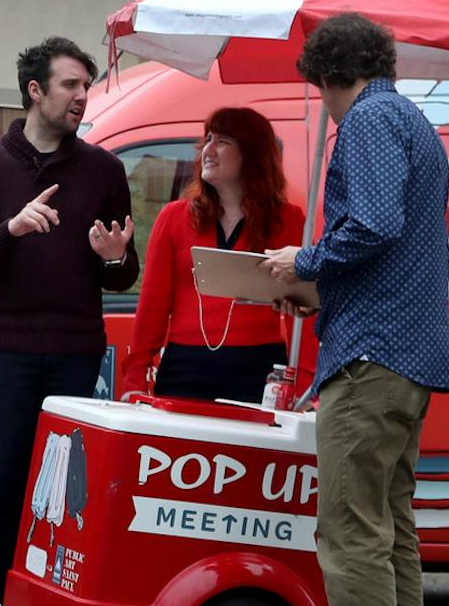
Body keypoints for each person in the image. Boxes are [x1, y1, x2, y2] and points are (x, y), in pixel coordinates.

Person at [260, 12, 449, 606]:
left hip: (370, 359)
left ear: (327, 75)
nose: (322, 103)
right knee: (391, 535)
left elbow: (370, 226)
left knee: (349, 534)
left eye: (318, 89)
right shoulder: (412, 121)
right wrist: (315, 284)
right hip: (409, 355)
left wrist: (302, 263)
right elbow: (396, 246)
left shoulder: (369, 121)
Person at [0, 36, 136, 606]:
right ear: (36, 91)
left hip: (75, 351)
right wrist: (12, 230)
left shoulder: (104, 172)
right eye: (71, 86)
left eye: (87, 86)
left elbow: (120, 272)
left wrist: (114, 256)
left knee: (47, 497)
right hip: (2, 348)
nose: (83, 97)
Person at [125, 107, 313, 403]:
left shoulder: (288, 221)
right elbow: (152, 308)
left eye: (223, 141)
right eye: (208, 138)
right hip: (184, 367)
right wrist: (135, 378)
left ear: (252, 153)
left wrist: (304, 383)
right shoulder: (173, 218)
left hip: (259, 369)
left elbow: (303, 314)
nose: (207, 150)